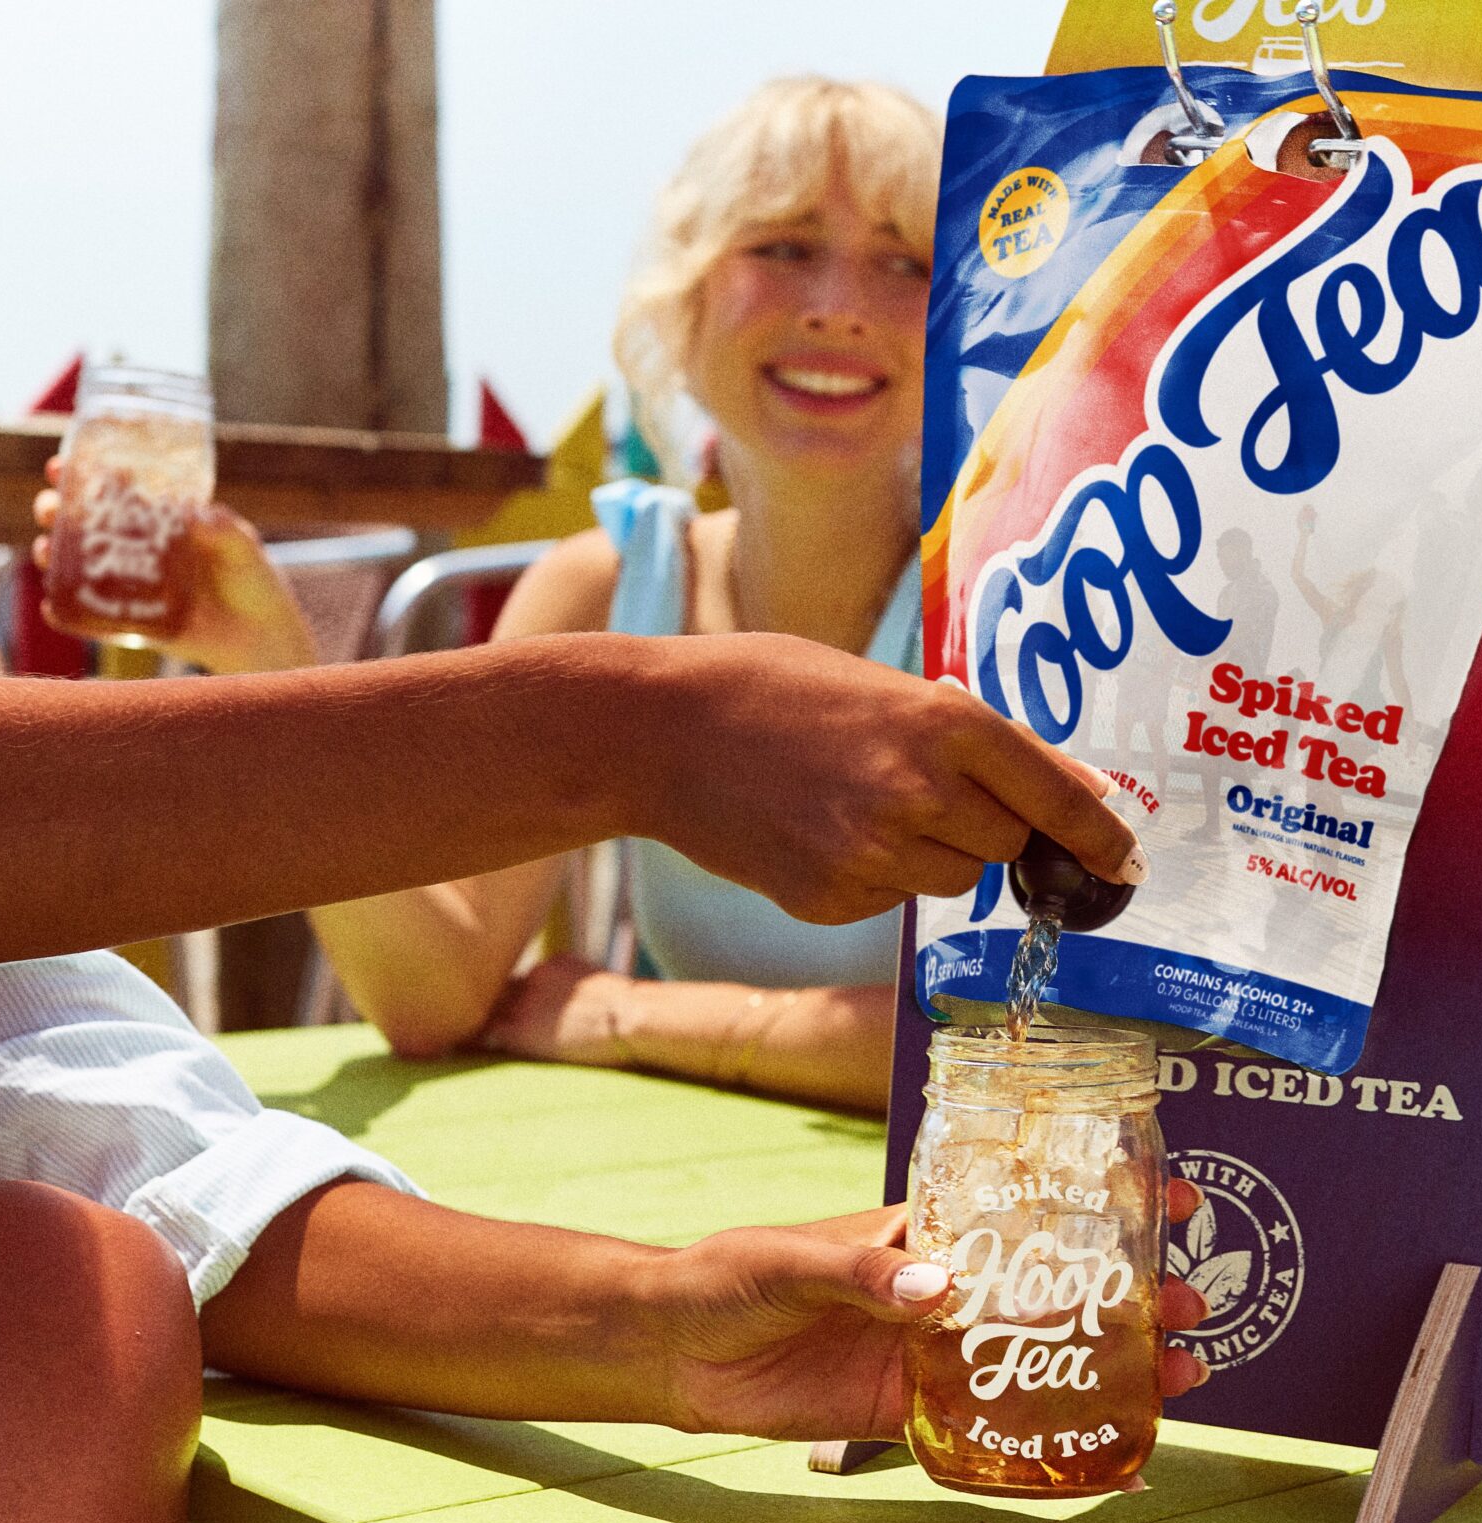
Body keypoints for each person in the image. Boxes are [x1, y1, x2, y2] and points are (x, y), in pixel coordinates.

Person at [0, 5, 1199, 1523]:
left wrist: (672, 1329)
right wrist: (625, 732)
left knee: (53, 1281)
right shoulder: (615, 588)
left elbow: (122, 1137)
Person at [55, 80, 952, 1111]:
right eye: (784, 247)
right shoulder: (607, 587)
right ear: (685, 295)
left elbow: (1058, 1038)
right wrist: (271, 659)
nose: (837, 303)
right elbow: (435, 994)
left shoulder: (1022, 605)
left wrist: (636, 1017)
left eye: (905, 262)